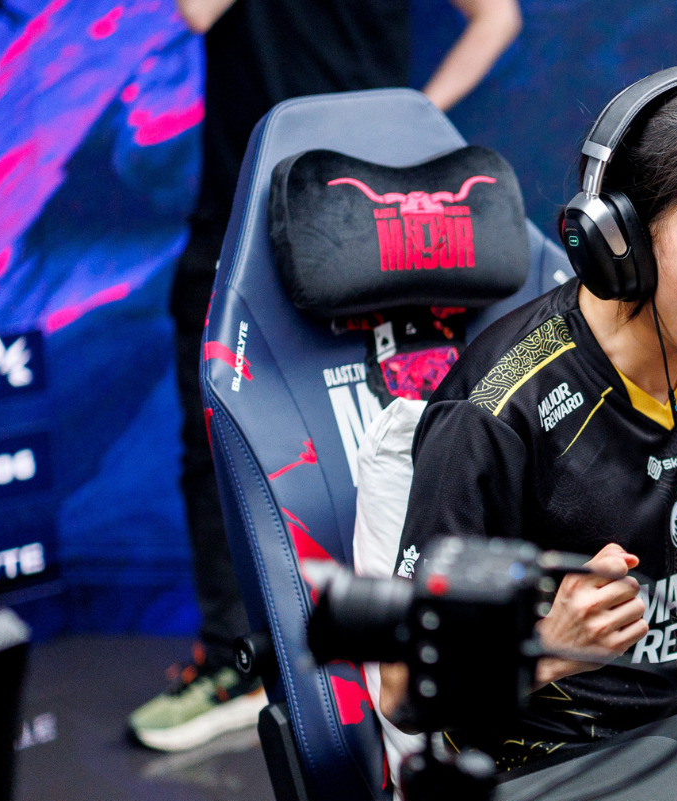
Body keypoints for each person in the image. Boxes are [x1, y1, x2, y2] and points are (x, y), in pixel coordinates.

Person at [375, 74, 677, 771]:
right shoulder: (496, 414)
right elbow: (403, 689)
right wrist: (547, 649)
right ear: (623, 242)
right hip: (568, 780)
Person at [130, 0, 523, 751]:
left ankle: (401, 645)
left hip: (364, 215)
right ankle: (242, 663)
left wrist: (412, 120)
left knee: (396, 434)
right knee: (226, 440)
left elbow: (497, 16)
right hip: (255, 213)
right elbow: (197, 12)